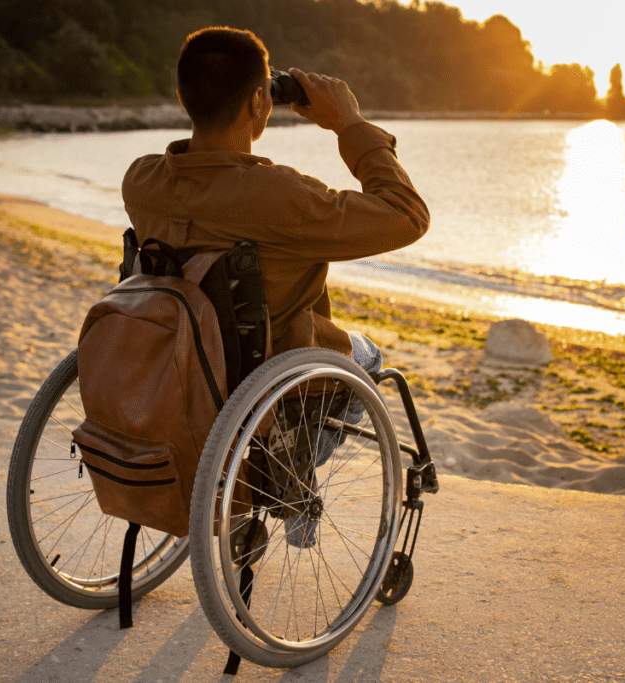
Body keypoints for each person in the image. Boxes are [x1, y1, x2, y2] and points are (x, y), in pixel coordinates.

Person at [121, 26, 429, 546]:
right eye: (263, 91)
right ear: (262, 100)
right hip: (261, 373)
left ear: (181, 97)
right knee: (371, 359)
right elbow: (407, 215)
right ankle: (290, 484)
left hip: (172, 367)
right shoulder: (279, 197)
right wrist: (348, 124)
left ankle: (267, 483)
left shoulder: (142, 180)